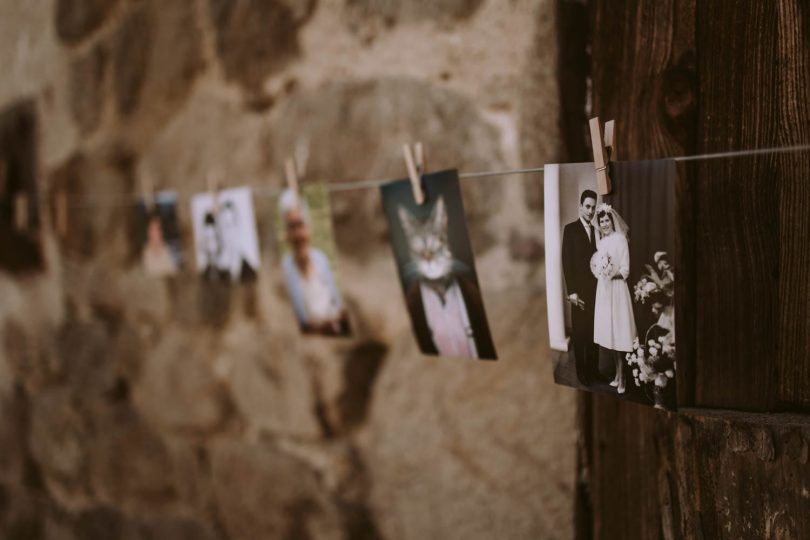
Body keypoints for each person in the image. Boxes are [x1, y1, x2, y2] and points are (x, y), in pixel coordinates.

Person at [279, 189, 350, 336]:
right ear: (287, 233)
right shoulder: (286, 267)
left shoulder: (320, 259)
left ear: (308, 228)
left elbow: (336, 301)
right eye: (292, 227)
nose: (298, 234)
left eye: (301, 225)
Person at [592, 203, 637, 394]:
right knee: (609, 333)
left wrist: (611, 273)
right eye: (601, 221)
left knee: (619, 333)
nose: (604, 224)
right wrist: (601, 272)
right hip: (604, 291)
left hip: (617, 290)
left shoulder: (620, 240)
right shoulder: (601, 243)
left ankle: (623, 377)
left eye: (607, 220)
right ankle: (617, 375)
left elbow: (625, 269)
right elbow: (598, 266)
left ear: (612, 221)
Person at [562, 189, 599, 385]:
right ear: (580, 206)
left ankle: (594, 371)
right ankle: (582, 373)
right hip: (578, 292)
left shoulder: (597, 231)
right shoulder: (570, 229)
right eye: (587, 207)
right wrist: (572, 292)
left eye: (593, 207)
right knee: (580, 333)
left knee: (594, 333)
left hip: (595, 291)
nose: (591, 211)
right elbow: (566, 261)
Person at [142, 211, 178, 276]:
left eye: (158, 229)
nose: (156, 233)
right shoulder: (144, 254)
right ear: (148, 232)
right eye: (152, 229)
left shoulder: (168, 251)